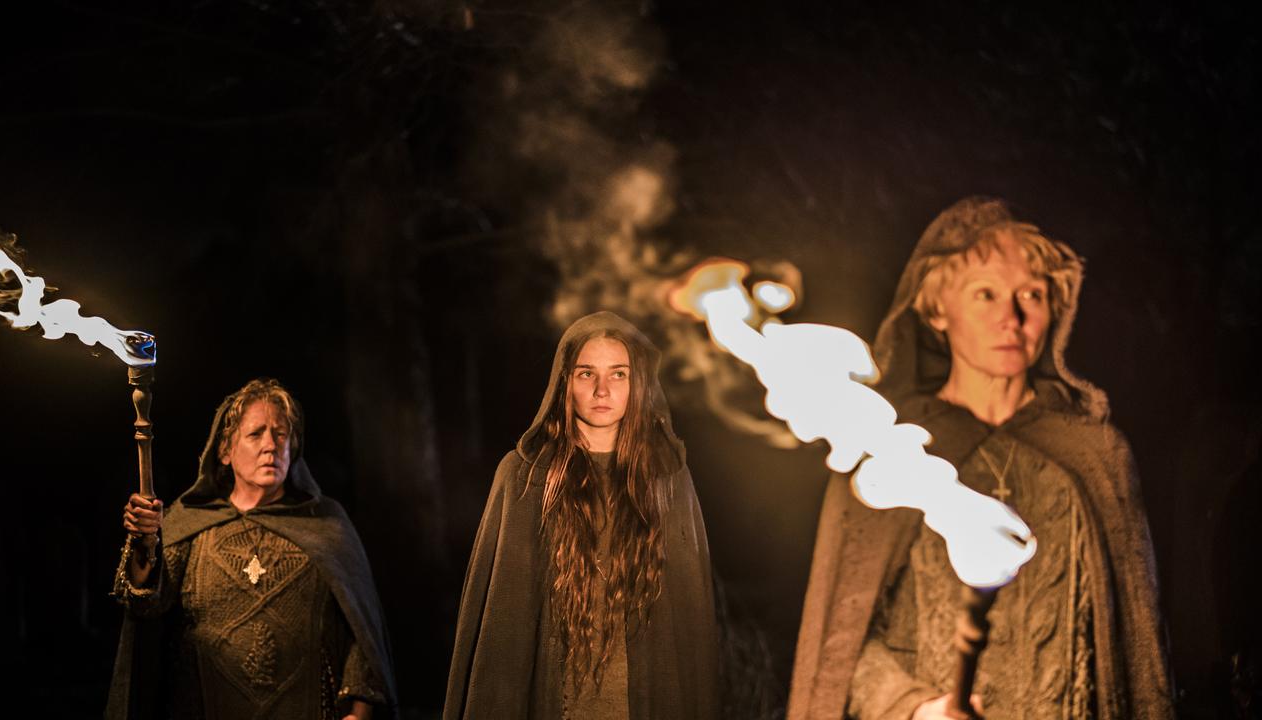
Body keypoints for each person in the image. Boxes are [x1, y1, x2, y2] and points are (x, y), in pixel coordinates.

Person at [787, 197, 1173, 719]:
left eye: (1031, 295)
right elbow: (840, 648)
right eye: (985, 293)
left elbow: (1136, 650)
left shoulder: (1096, 454)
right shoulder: (891, 448)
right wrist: (916, 708)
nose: (1011, 317)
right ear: (936, 308)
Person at [444, 311, 717, 719]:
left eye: (619, 374)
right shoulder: (525, 475)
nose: (602, 389)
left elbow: (689, 623)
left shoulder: (667, 478)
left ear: (638, 384)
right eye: (586, 374)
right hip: (554, 701)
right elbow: (501, 627)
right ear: (564, 383)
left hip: (639, 700)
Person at [107, 378, 397, 720]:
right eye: (256, 433)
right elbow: (145, 604)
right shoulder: (188, 525)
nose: (271, 446)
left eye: (281, 434)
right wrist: (146, 540)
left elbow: (360, 632)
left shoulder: (327, 527)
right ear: (226, 451)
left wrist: (359, 713)